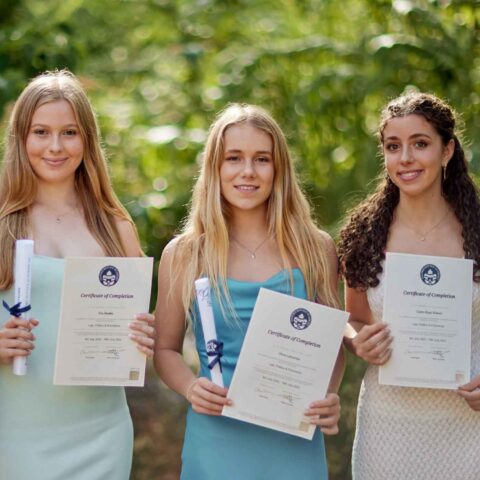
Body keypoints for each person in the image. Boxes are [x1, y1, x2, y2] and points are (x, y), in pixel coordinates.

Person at [154, 103, 344, 480]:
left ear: (278, 170)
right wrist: (191, 387)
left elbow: (333, 344)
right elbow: (164, 349)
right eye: (234, 158)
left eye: (261, 159)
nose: (248, 171)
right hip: (217, 439)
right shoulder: (185, 253)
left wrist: (328, 395)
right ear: (215, 168)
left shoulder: (315, 248)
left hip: (294, 440)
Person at [0, 70, 155, 480]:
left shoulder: (115, 227)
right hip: (15, 434)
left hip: (101, 432)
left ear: (87, 140)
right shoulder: (1, 223)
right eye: (41, 132)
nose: (55, 146)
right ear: (21, 138)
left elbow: (135, 338)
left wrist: (142, 336)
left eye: (69, 132)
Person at [338, 92, 480, 479]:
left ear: (447, 150)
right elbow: (354, 320)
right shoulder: (365, 233)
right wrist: (358, 341)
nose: (406, 159)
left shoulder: (477, 230)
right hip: (388, 421)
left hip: (469, 422)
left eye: (420, 144)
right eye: (393, 146)